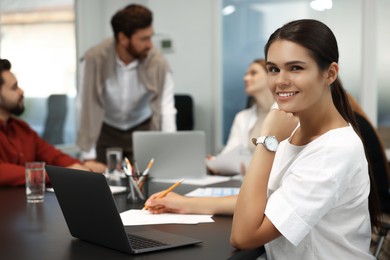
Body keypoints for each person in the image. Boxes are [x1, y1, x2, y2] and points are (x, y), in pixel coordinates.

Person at [145, 19, 380, 259]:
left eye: (296, 68)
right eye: (274, 69)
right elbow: (269, 201)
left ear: (330, 73)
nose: (280, 81)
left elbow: (243, 236)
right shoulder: (293, 127)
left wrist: (268, 142)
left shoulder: (334, 149)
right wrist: (187, 204)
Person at [76, 4, 176, 164]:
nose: (150, 44)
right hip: (106, 130)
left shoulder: (158, 63)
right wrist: (88, 156)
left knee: (146, 184)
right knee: (102, 184)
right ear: (123, 38)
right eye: (144, 39)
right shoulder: (94, 59)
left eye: (150, 37)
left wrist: (170, 152)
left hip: (143, 129)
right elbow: (85, 105)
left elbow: (166, 108)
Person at [0, 58, 106, 187]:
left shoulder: (21, 128)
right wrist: (62, 174)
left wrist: (81, 165)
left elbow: (53, 156)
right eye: (14, 88)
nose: (21, 91)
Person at [207, 59, 275, 175]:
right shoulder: (242, 117)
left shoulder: (288, 114)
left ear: (271, 76)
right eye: (246, 74)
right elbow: (230, 152)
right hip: (243, 180)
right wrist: (215, 162)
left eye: (253, 73)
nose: (246, 78)